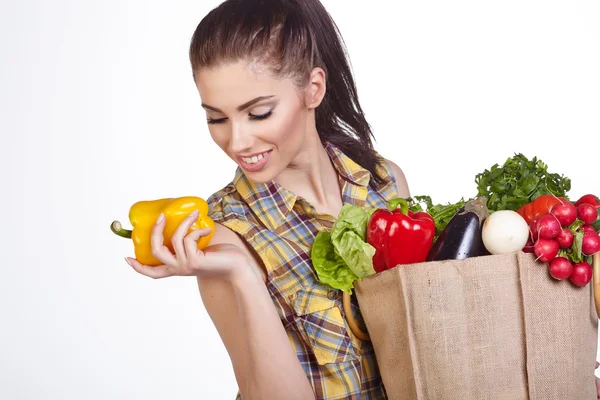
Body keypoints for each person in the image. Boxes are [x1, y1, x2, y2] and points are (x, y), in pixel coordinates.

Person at [124, 1, 600, 399]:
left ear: (313, 88)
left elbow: (424, 349)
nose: (238, 141)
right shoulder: (223, 233)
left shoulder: (384, 182)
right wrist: (243, 277)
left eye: (259, 112)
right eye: (216, 119)